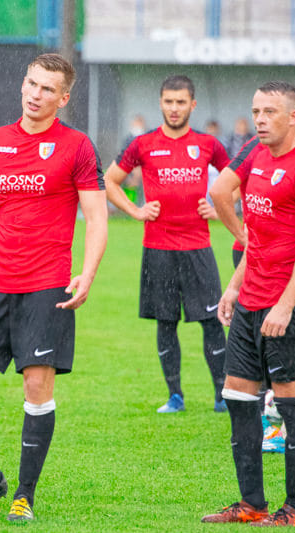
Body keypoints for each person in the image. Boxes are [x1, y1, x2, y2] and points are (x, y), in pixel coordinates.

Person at [0, 54, 107, 522]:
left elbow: (96, 216)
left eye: (47, 89)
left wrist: (87, 273)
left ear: (63, 98)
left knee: (36, 386)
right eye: (31, 83)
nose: (35, 94)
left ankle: (24, 495)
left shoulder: (77, 147)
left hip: (47, 285)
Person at [204, 81, 295, 527]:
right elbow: (221, 195)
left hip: (289, 306)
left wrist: (285, 305)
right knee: (239, 399)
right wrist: (236, 283)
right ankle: (252, 504)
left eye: (270, 112)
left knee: (292, 404)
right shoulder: (254, 154)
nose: (260, 119)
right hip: (249, 300)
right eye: (255, 110)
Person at [104, 75, 231, 414]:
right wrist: (136, 210)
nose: (174, 108)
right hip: (158, 248)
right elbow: (110, 181)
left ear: (192, 104)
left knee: (211, 321)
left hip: (198, 247)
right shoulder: (142, 143)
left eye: (181, 102)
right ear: (160, 103)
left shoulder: (208, 144)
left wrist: (219, 210)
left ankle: (222, 396)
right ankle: (175, 396)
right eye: (169, 102)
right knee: (165, 322)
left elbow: (240, 180)